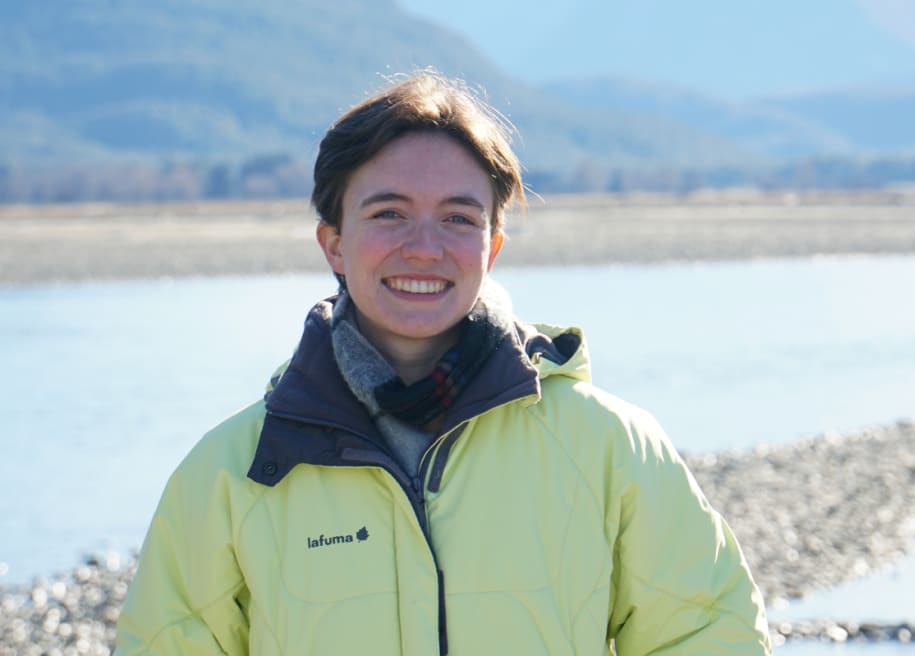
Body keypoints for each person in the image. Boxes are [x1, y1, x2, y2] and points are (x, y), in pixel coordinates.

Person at [115, 71, 771, 655]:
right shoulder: (235, 472)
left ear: (491, 248)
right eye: (389, 213)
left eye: (458, 218)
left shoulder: (606, 448)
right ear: (335, 243)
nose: (423, 248)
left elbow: (708, 636)